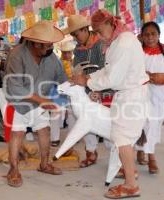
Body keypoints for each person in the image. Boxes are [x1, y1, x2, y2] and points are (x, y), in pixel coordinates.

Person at [72, 9, 148, 198]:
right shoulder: (116, 41)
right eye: (95, 31)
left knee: (122, 138)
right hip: (125, 94)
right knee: (121, 137)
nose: (97, 35)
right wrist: (88, 76)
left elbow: (112, 78)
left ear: (109, 24)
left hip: (130, 95)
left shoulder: (123, 42)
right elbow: (107, 72)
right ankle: (130, 173)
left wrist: (87, 82)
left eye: (98, 30)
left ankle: (131, 185)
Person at [2, 21, 67, 187]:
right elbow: (14, 86)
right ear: (33, 43)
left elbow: (62, 81)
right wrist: (41, 100)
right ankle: (13, 169)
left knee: (44, 131)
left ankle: (44, 164)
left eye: (50, 45)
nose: (48, 49)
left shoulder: (53, 58)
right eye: (44, 46)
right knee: (17, 134)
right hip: (19, 103)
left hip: (40, 103)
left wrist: (65, 96)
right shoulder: (16, 54)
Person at [63, 14, 110, 168]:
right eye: (73, 36)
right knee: (85, 120)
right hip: (87, 90)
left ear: (84, 29)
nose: (75, 38)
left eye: (76, 34)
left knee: (109, 126)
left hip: (106, 88)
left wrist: (99, 90)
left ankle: (121, 158)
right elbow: (77, 69)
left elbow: (107, 70)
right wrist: (76, 79)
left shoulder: (101, 44)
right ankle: (91, 152)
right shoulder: (78, 49)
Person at [136, 22, 164, 174]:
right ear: (141, 36)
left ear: (159, 35)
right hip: (141, 92)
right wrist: (146, 76)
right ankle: (149, 157)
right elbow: (131, 71)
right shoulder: (137, 51)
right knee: (142, 123)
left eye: (153, 33)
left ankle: (144, 152)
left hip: (161, 94)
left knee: (154, 124)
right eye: (146, 34)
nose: (150, 37)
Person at [50, 41, 75, 147]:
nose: (67, 55)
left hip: (72, 92)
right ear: (61, 53)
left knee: (72, 115)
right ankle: (54, 139)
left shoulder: (75, 63)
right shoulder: (57, 63)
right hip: (58, 92)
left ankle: (72, 137)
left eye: (69, 52)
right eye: (65, 53)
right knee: (55, 115)